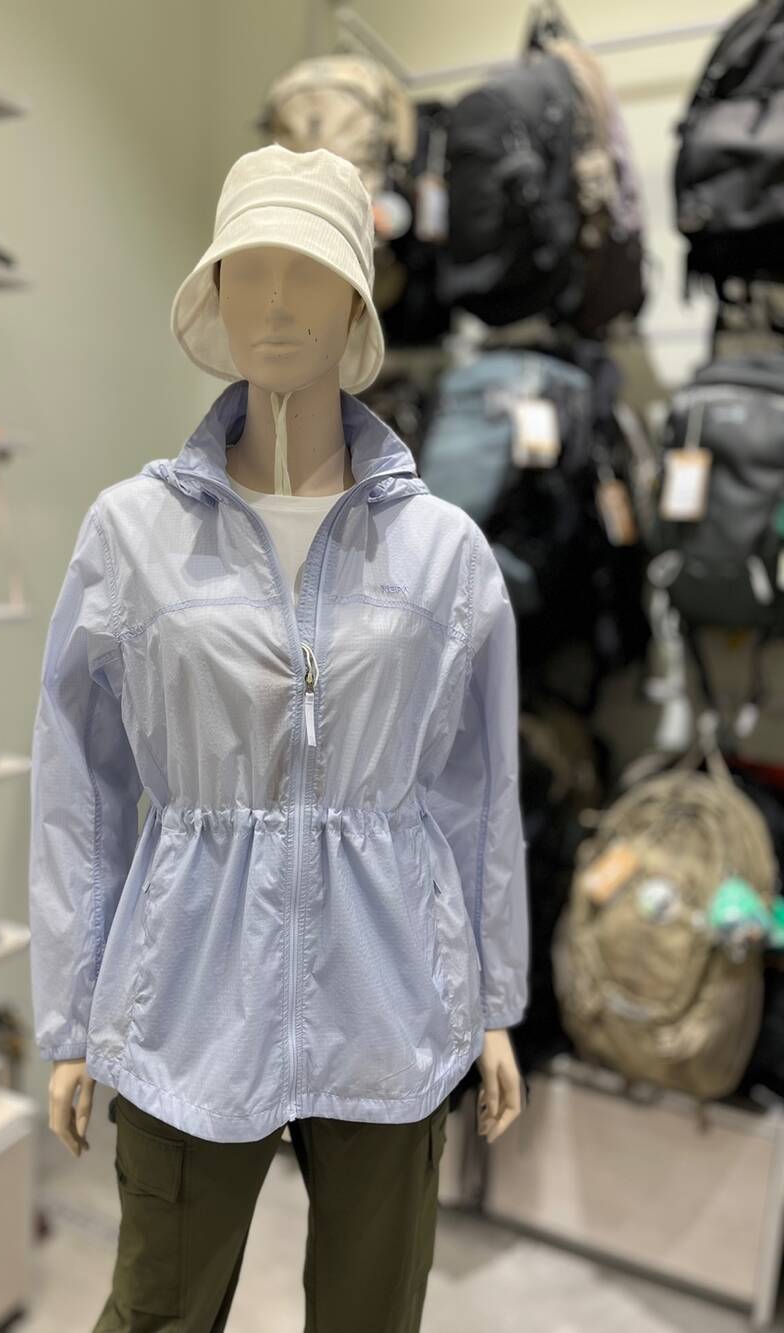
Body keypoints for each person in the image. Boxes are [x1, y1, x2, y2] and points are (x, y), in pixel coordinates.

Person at [28, 143, 530, 1332]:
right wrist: (72, 1013)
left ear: (356, 302)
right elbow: (79, 786)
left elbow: (478, 791)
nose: (275, 302)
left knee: (371, 1313)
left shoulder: (442, 550)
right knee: (157, 1308)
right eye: (247, 270)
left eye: (307, 272)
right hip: (183, 994)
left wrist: (492, 999)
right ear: (212, 289)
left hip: (392, 991)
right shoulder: (132, 532)